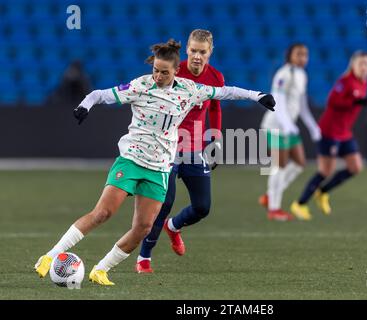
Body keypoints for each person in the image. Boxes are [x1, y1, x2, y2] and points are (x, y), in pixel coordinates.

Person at [34, 39, 275, 286]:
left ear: (175, 71)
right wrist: (86, 105)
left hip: (159, 168)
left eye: (164, 72)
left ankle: (101, 270)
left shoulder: (190, 90)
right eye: (155, 70)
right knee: (102, 213)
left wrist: (258, 96)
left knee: (143, 228)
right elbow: (100, 94)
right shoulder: (140, 86)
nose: (158, 76)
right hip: (131, 160)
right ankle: (48, 257)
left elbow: (226, 92)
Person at [136, 29, 224, 273]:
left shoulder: (216, 77)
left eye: (202, 52)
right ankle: (144, 257)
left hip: (195, 148)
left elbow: (215, 108)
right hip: (169, 147)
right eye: (193, 50)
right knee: (164, 201)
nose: (197, 56)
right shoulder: (174, 71)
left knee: (202, 207)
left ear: (210, 52)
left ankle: (173, 226)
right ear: (186, 50)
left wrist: (215, 139)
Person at [290, 51, 367, 220]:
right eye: (360, 64)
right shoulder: (345, 82)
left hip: (344, 133)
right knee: (326, 171)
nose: (364, 67)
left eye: (366, 64)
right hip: (329, 131)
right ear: (353, 66)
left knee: (355, 167)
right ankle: (299, 204)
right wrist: (354, 102)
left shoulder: (364, 83)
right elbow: (333, 101)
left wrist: (356, 102)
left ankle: (322, 192)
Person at [259, 43, 321, 221]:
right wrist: (287, 125)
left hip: (288, 127)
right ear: (290, 55)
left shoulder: (302, 75)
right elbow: (275, 102)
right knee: (280, 165)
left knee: (300, 163)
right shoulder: (283, 74)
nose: (303, 58)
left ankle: (271, 196)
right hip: (275, 125)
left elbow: (302, 105)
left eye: (305, 54)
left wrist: (312, 126)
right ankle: (274, 209)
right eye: (299, 54)